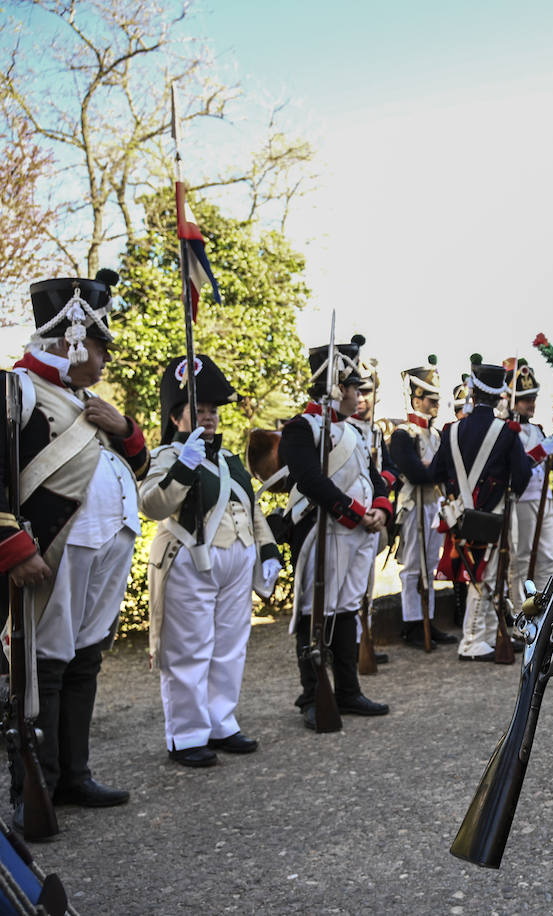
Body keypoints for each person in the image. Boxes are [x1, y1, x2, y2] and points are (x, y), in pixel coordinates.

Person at [5, 272, 148, 828]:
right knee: (43, 667)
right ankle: (32, 785)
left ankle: (74, 775)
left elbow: (141, 469)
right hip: (55, 550)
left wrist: (128, 429)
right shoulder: (16, 389)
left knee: (85, 658)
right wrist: (12, 546)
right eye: (101, 344)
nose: (106, 357)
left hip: (104, 546)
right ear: (72, 338)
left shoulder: (89, 400)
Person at [140, 355, 280, 767]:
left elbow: (251, 510)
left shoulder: (230, 460)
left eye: (212, 410)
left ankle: (222, 722)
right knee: (189, 650)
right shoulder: (167, 456)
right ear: (176, 415)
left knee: (229, 648)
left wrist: (267, 550)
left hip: (235, 565)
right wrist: (182, 468)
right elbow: (152, 504)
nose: (209, 417)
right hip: (189, 561)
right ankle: (186, 735)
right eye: (198, 409)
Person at [279, 335, 392, 730]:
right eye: (352, 386)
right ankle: (313, 694)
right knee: (314, 613)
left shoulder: (356, 431)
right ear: (335, 386)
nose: (359, 395)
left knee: (347, 612)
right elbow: (309, 481)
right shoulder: (301, 428)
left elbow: (374, 477)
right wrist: (356, 513)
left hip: (356, 534)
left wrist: (379, 508)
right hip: (322, 532)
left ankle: (347, 689)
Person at [430, 359, 531, 661]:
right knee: (485, 577)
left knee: (483, 575)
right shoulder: (507, 432)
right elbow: (522, 475)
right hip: (494, 514)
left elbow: (435, 473)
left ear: (473, 394)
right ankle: (473, 641)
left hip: (462, 515)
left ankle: (489, 635)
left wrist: (458, 499)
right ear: (500, 393)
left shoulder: (450, 431)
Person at [388, 357, 457, 648]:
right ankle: (412, 624)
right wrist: (431, 470)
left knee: (429, 566)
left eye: (436, 399)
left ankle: (427, 620)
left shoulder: (437, 434)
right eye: (430, 399)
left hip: (433, 506)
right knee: (413, 568)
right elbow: (418, 474)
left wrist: (432, 469)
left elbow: (442, 471)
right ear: (416, 398)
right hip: (414, 506)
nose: (435, 404)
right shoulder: (404, 434)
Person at [348, 357, 395, 666]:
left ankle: (364, 641)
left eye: (368, 392)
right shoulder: (342, 430)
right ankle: (347, 648)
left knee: (366, 588)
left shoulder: (375, 434)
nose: (362, 399)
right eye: (358, 391)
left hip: (375, 515)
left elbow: (390, 471)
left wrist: (382, 486)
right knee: (346, 591)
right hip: (349, 515)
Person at [506, 361, 553, 605]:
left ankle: (544, 608)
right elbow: (518, 465)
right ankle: (520, 610)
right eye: (525, 399)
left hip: (543, 499)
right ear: (512, 401)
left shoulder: (537, 429)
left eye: (532, 398)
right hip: (522, 501)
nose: (531, 404)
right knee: (522, 558)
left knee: (549, 557)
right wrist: (540, 453)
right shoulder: (507, 429)